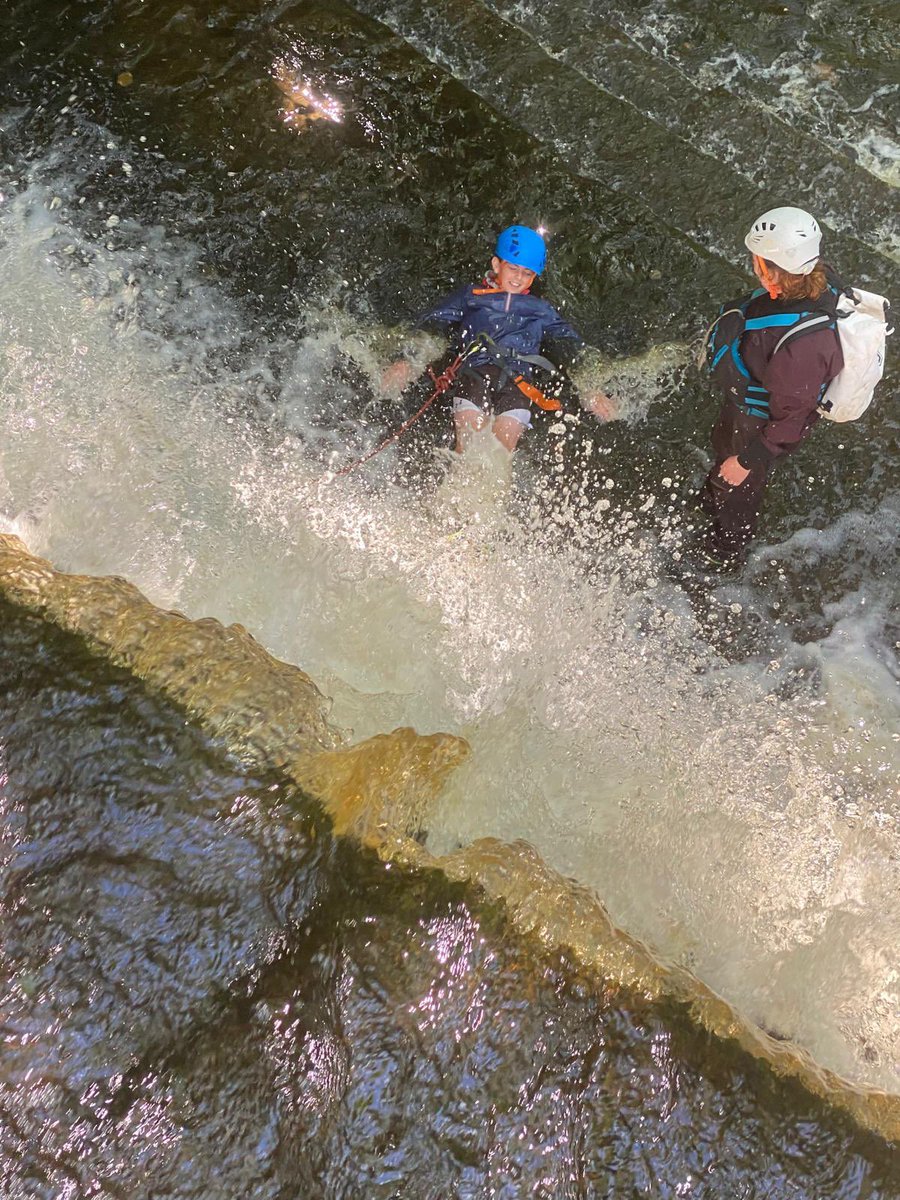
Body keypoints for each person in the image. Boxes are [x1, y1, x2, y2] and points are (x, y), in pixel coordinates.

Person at [695, 206, 845, 569]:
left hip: (757, 428)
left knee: (739, 494)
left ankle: (725, 556)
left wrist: (747, 461)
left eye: (758, 262)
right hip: (744, 407)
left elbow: (791, 420)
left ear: (773, 273)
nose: (754, 266)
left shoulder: (803, 349)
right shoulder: (812, 282)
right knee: (722, 459)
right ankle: (715, 491)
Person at [382, 225, 613, 453]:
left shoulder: (540, 309)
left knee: (501, 454)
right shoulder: (471, 296)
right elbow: (433, 324)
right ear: (496, 265)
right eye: (513, 268)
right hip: (475, 374)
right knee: (469, 449)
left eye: (527, 273)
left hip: (517, 383)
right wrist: (407, 361)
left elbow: (569, 343)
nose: (518, 278)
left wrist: (590, 389)